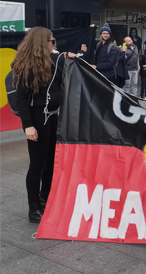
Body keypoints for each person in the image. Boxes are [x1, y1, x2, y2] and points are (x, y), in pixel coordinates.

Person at [12, 27, 77, 223]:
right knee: (37, 165)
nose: (54, 43)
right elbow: (21, 100)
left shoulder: (53, 61)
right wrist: (28, 126)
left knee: (50, 162)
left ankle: (44, 198)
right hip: (38, 120)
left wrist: (71, 59)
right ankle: (33, 209)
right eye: (51, 40)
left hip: (54, 118)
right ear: (42, 43)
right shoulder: (25, 66)